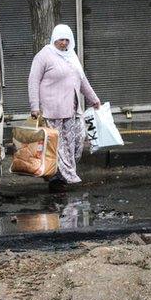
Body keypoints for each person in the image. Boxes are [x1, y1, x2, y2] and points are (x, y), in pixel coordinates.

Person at [28, 24, 101, 193]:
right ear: (54, 39)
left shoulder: (71, 56)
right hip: (52, 111)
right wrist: (35, 106)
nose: (64, 43)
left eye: (67, 39)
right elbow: (33, 81)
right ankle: (58, 179)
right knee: (58, 148)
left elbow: (82, 81)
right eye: (61, 39)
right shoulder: (44, 56)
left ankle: (64, 174)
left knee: (77, 143)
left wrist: (94, 100)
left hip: (73, 110)